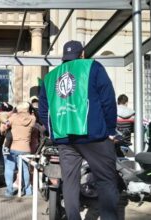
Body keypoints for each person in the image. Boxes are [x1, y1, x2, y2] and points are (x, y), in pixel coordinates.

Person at [38, 40, 119, 219]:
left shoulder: (50, 78)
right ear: (82, 54)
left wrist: (54, 129)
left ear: (63, 57)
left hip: (65, 138)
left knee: (70, 182)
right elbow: (108, 100)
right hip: (94, 136)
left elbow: (43, 111)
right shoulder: (93, 67)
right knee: (106, 180)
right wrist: (111, 130)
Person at [4, 102, 36, 197]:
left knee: (9, 169)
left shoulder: (13, 117)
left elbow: (6, 125)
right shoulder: (32, 119)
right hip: (26, 148)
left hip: (13, 147)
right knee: (25, 170)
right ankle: (27, 191)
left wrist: (10, 114)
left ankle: (9, 191)